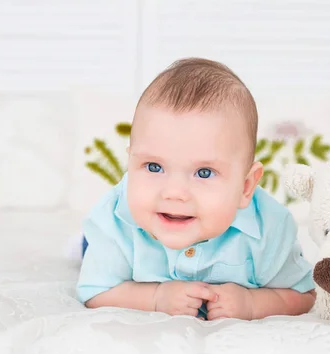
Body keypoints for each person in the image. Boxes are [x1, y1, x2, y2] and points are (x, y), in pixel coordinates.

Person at [76, 57, 315, 320]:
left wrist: (252, 302)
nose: (174, 192)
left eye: (204, 173)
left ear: (246, 187)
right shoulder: (114, 219)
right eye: (154, 167)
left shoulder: (271, 230)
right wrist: (156, 298)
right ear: (131, 162)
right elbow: (95, 291)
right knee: (89, 247)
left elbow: (302, 295)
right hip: (108, 243)